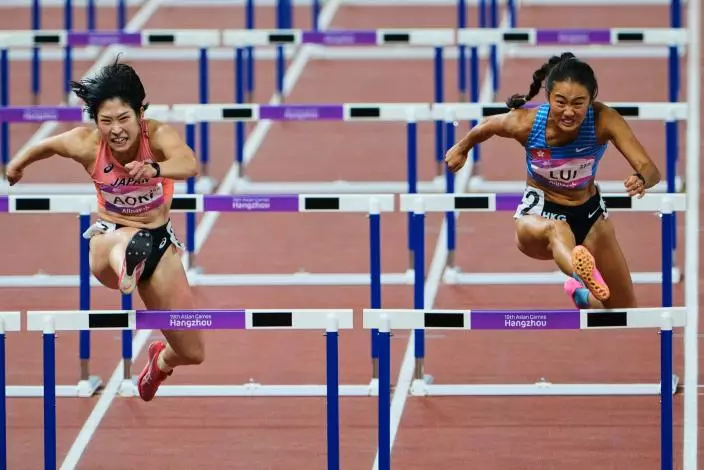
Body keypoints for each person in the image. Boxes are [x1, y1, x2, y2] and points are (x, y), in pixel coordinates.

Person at [5, 58, 204, 401]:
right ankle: (126, 261)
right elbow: (48, 146)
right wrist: (17, 165)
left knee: (192, 351)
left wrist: (155, 168)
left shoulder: (157, 135)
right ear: (96, 122)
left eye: (124, 118)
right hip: (107, 236)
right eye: (106, 121)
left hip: (158, 244)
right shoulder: (86, 143)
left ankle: (159, 361)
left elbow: (189, 163)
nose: (116, 129)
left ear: (140, 114)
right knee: (122, 241)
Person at [444, 52, 661, 309]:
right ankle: (582, 273)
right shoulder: (527, 123)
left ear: (591, 99)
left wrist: (642, 178)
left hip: (589, 216)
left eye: (578, 103)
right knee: (557, 229)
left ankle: (581, 294)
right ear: (548, 98)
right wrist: (462, 147)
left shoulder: (604, 120)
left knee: (623, 308)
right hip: (539, 215)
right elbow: (489, 125)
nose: (569, 112)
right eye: (560, 102)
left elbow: (650, 169)